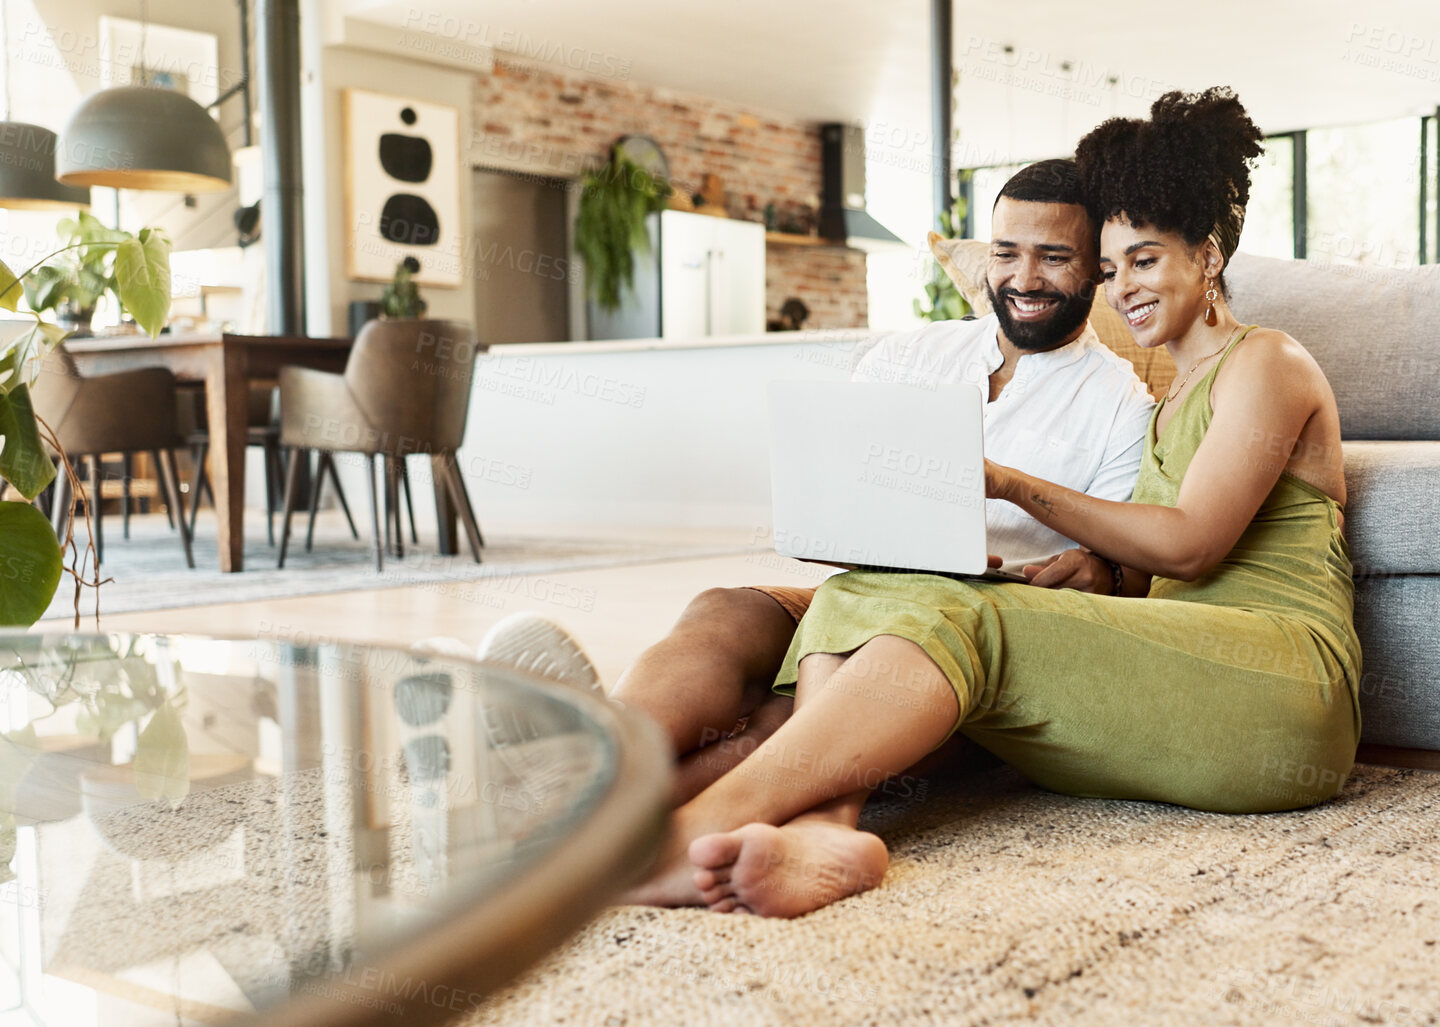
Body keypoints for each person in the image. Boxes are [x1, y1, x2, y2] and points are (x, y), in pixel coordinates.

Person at [619, 87, 1362, 917]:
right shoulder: (1171, 392)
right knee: (864, 587)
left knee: (959, 608)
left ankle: (686, 833)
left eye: (1143, 261)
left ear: (1209, 256)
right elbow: (1155, 571)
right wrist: (1098, 571)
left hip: (1278, 680)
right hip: (1189, 655)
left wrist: (1009, 482)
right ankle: (825, 827)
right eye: (1113, 269)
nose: (1122, 290)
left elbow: (1192, 546)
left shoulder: (1267, 361)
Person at [433, 159, 1157, 809]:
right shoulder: (913, 355)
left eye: (1053, 257)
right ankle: (595, 744)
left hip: (971, 634)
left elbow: (1128, 563)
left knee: (783, 722)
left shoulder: (1121, 403)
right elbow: (837, 482)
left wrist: (1098, 571)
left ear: (1096, 268)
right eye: (1006, 252)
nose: (1024, 279)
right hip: (861, 592)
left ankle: (563, 800)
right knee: (724, 609)